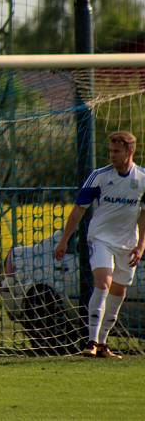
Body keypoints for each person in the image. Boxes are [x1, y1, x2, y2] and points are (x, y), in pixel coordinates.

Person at [54, 131, 145, 359]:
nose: (112, 155)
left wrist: (141, 245)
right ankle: (91, 341)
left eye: (117, 151)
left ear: (130, 151)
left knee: (119, 290)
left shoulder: (143, 178)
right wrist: (64, 240)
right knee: (103, 282)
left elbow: (144, 214)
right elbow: (79, 209)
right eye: (110, 151)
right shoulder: (99, 176)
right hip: (101, 237)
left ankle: (103, 344)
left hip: (127, 243)